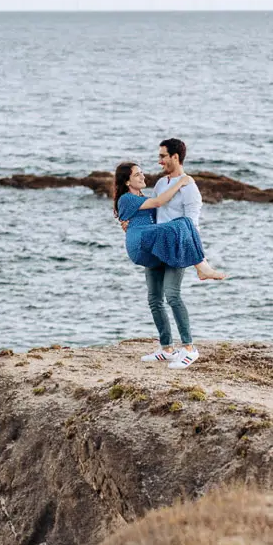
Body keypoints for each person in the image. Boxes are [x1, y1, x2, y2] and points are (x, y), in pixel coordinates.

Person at [115, 137, 224, 370]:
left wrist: (192, 250)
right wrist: (130, 224)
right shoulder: (161, 185)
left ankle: (188, 348)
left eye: (163, 156)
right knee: (154, 299)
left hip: (176, 244)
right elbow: (154, 210)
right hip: (156, 245)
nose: (159, 160)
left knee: (172, 295)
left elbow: (192, 223)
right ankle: (166, 348)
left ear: (175, 157)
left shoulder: (190, 188)